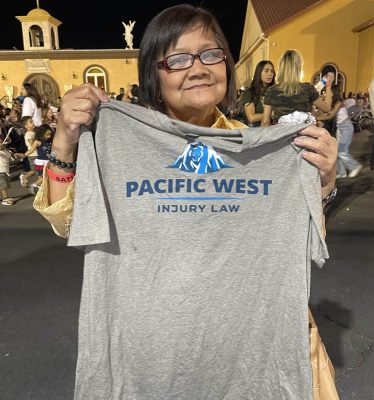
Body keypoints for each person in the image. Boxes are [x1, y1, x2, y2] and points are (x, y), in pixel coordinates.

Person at [34, 4, 338, 399]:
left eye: (211, 54)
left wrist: (323, 181)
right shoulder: (119, 142)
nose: (198, 68)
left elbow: (296, 238)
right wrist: (64, 142)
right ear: (153, 74)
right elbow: (70, 224)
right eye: (177, 59)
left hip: (243, 344)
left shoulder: (264, 151)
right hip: (150, 351)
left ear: (227, 65)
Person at [261, 49, 333, 126]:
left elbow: (265, 121)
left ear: (281, 67)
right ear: (299, 68)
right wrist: (328, 86)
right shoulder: (308, 88)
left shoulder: (271, 90)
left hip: (281, 132)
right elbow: (326, 108)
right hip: (304, 131)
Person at [317, 85, 362, 179]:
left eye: (328, 92)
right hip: (340, 128)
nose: (326, 94)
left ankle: (354, 166)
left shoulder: (339, 102)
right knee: (337, 151)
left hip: (346, 127)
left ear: (333, 92)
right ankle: (341, 172)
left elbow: (330, 115)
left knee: (342, 150)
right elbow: (326, 113)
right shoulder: (332, 103)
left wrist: (316, 117)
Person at [241, 60, 275, 126]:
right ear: (259, 73)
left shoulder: (274, 92)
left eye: (272, 71)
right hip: (256, 129)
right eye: (266, 71)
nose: (270, 74)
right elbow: (251, 118)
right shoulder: (250, 93)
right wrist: (271, 114)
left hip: (274, 128)